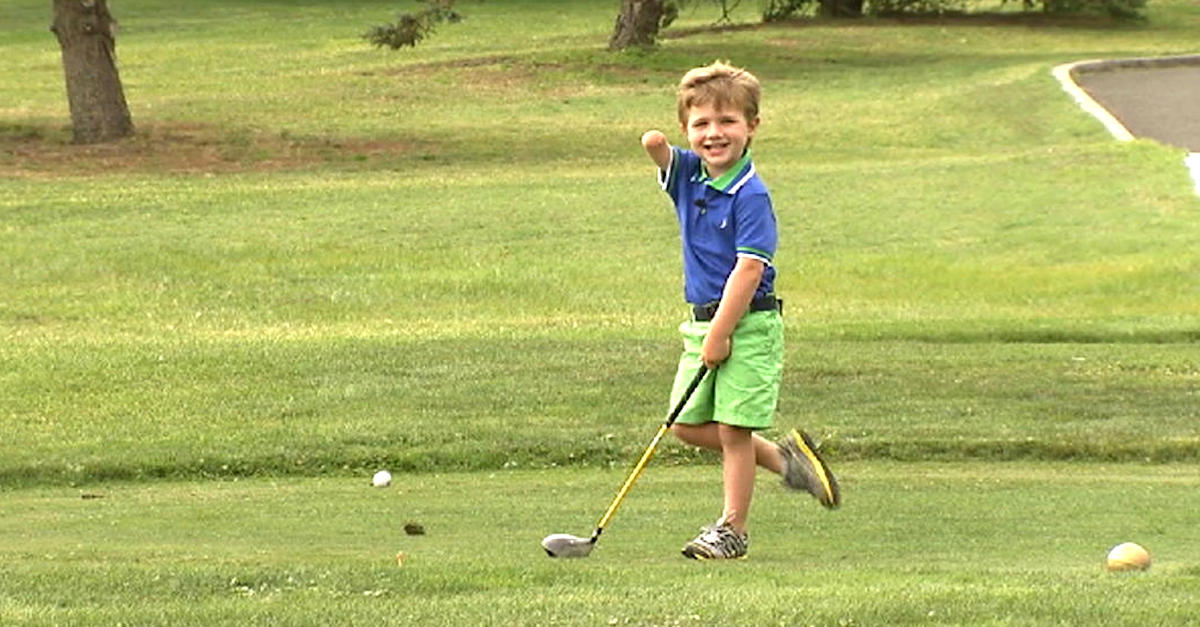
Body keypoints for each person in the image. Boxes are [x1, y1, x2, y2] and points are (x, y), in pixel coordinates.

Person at [640, 61, 840, 560]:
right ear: (689, 130)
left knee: (733, 429)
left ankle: (733, 530)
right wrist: (662, 144)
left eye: (728, 121)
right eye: (702, 124)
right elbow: (655, 148)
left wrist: (722, 333)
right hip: (701, 321)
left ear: (752, 126)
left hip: (749, 324)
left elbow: (747, 273)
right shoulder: (689, 174)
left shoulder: (752, 195)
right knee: (683, 425)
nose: (714, 133)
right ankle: (786, 461)